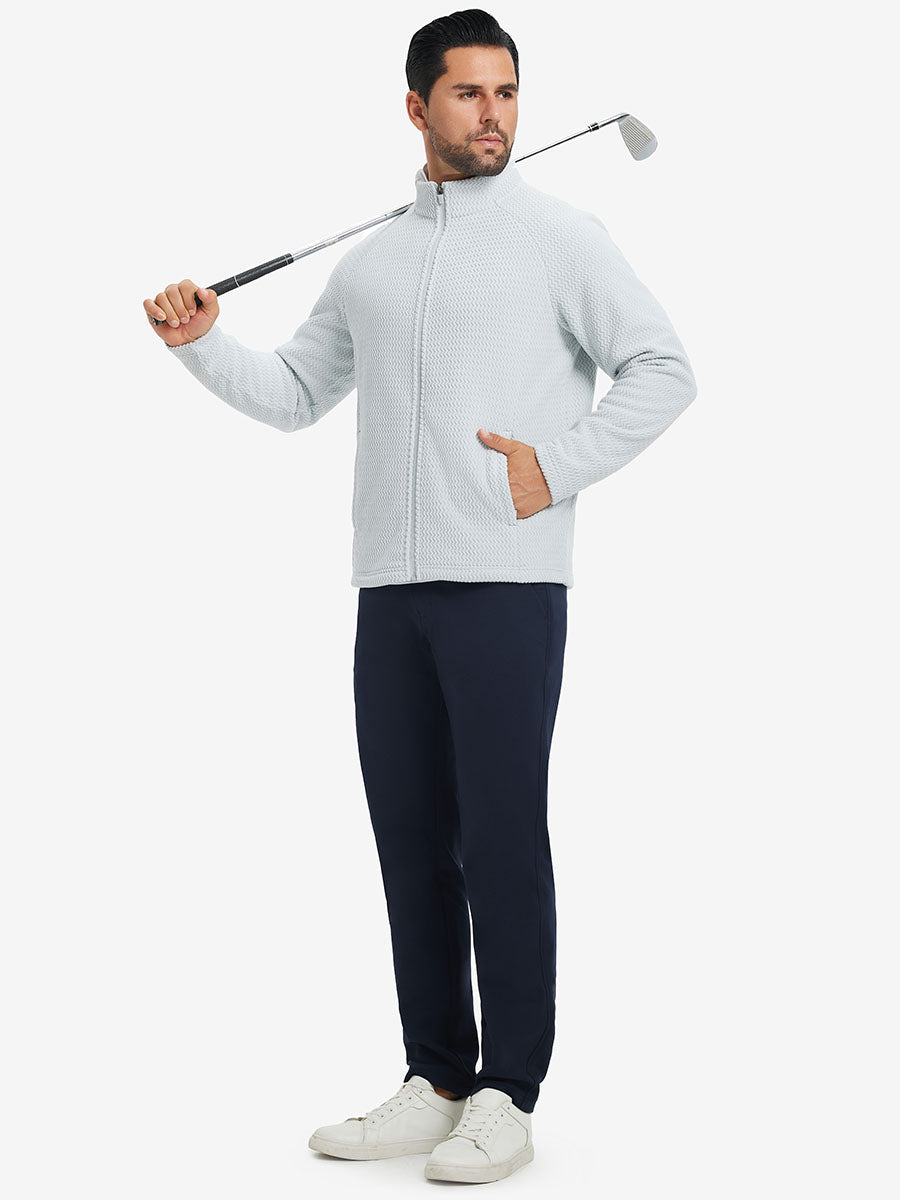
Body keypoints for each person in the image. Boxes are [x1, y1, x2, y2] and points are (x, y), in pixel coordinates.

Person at [143, 8, 697, 1185]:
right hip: (390, 593)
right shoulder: (375, 261)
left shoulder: (562, 237)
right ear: (416, 107)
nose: (494, 114)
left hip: (505, 583)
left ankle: (509, 1093)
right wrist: (202, 343)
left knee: (501, 839)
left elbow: (664, 368)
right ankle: (438, 1076)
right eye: (468, 93)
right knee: (410, 837)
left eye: (507, 92)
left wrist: (555, 469)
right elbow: (296, 395)